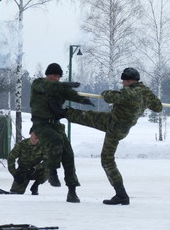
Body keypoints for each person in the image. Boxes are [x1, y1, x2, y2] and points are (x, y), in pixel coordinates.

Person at [50, 68, 163, 205]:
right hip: (120, 124)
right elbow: (158, 107)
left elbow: (108, 96)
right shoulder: (146, 93)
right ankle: (63, 113)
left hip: (115, 127)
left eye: (123, 81)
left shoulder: (128, 92)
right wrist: (145, 101)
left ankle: (121, 195)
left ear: (127, 80)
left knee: (107, 159)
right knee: (89, 117)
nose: (122, 83)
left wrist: (109, 92)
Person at [30, 62, 94, 203]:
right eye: (54, 75)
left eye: (59, 76)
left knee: (68, 155)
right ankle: (52, 172)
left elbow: (71, 94)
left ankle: (72, 191)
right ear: (47, 75)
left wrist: (83, 100)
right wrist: (64, 85)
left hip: (56, 124)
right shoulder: (38, 83)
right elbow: (49, 86)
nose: (56, 78)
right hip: (41, 124)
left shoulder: (59, 87)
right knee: (56, 141)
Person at [7, 127, 48, 195]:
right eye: (35, 133)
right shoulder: (21, 144)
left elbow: (48, 160)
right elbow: (11, 157)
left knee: (49, 169)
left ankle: (35, 186)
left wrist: (36, 167)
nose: (37, 136)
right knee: (16, 192)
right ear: (30, 134)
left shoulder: (43, 146)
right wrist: (14, 174)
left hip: (35, 171)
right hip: (23, 170)